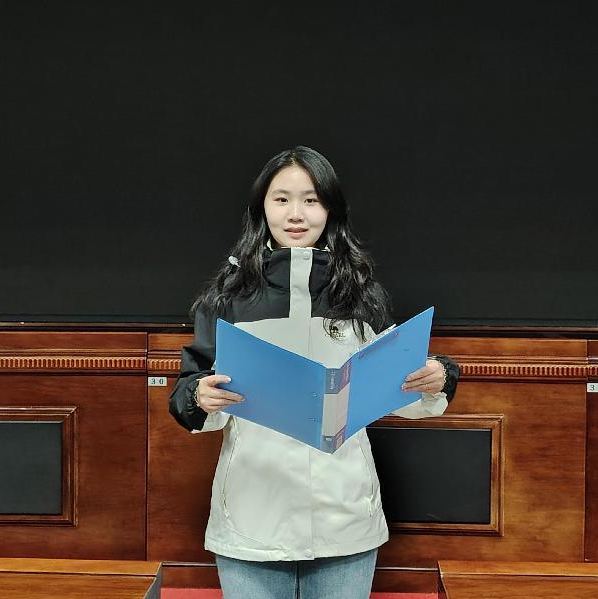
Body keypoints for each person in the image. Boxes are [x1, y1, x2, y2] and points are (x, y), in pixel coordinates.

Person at [169, 146, 459, 599]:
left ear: (330, 209)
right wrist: (200, 397)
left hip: (345, 516)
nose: (296, 214)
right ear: (262, 208)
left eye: (311, 199)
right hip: (252, 517)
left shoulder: (362, 295)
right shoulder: (227, 298)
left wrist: (436, 377)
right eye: (281, 199)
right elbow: (188, 392)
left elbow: (402, 394)